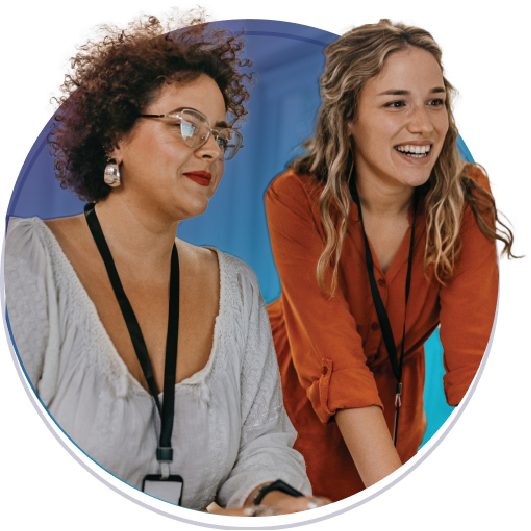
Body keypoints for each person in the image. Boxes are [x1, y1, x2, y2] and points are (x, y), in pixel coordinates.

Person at [4, 5, 331, 517]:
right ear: (115, 136)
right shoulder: (24, 262)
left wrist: (272, 500)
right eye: (187, 125)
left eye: (220, 135)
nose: (211, 151)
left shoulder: (238, 288)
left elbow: (264, 443)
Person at [265, 17, 521, 506]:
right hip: (294, 391)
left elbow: (476, 365)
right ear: (348, 117)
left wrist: (502, 482)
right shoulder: (295, 198)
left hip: (396, 407)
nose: (423, 124)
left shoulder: (467, 196)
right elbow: (336, 361)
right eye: (395, 103)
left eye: (434, 101)